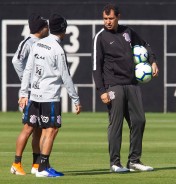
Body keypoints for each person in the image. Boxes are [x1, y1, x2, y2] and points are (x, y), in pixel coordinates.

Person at [92, 3, 159, 173]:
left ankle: (134, 161)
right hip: (114, 85)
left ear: (118, 17)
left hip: (132, 84)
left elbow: (145, 45)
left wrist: (152, 61)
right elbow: (95, 67)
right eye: (105, 18)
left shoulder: (128, 32)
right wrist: (101, 91)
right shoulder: (100, 37)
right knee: (116, 125)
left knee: (139, 121)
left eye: (111, 18)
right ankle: (115, 163)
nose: (107, 21)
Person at [19, 13, 82, 177]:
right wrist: (75, 99)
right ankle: (43, 167)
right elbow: (66, 77)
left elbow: (27, 70)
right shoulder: (57, 49)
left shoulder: (38, 44)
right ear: (63, 30)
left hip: (35, 95)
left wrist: (24, 93)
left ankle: (39, 165)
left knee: (42, 130)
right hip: (49, 96)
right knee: (51, 130)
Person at [10, 13, 49, 176]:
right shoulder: (28, 42)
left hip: (41, 92)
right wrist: (26, 81)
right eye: (46, 26)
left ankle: (35, 163)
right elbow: (16, 61)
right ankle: (16, 164)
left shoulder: (43, 43)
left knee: (38, 128)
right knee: (28, 127)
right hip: (31, 93)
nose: (48, 28)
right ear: (41, 28)